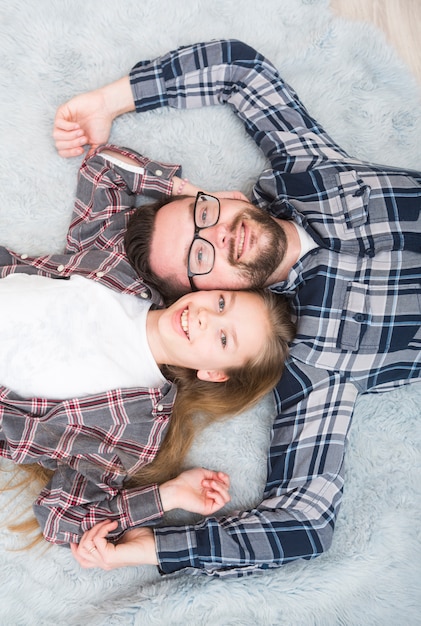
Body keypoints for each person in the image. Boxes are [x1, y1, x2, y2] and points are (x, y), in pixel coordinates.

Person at [54, 40, 421, 577]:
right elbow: (302, 525)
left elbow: (236, 68)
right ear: (200, 294)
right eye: (198, 256)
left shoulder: (309, 172)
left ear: (226, 195)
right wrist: (143, 549)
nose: (219, 235)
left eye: (203, 213)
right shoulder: (316, 364)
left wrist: (108, 102)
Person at [0, 144, 294, 546]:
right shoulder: (120, 266)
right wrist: (194, 199)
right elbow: (103, 167)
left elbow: (60, 516)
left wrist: (167, 495)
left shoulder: (136, 429)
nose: (207, 318)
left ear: (213, 373)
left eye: (224, 338)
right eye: (222, 302)